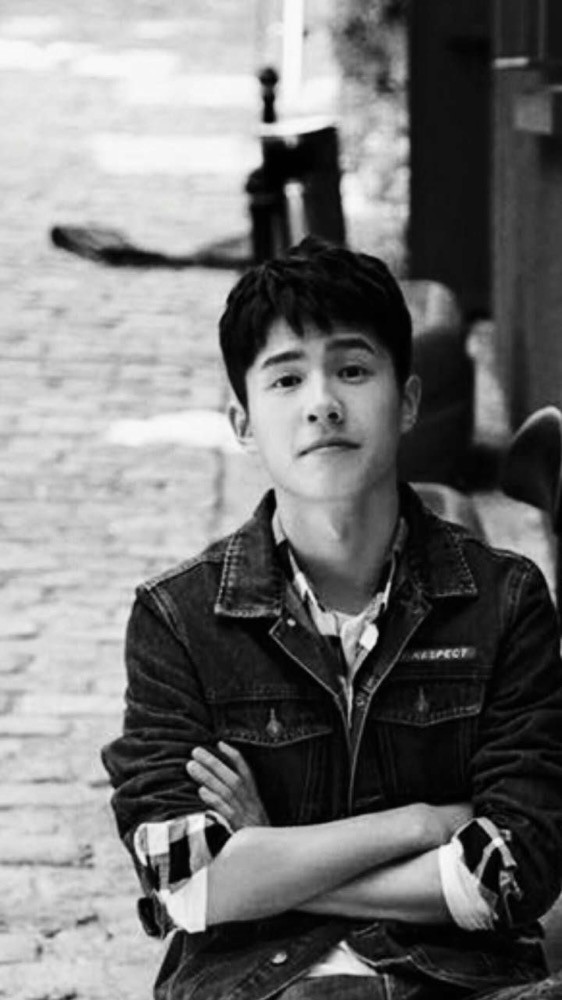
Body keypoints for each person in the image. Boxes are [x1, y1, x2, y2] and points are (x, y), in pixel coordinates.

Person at [102, 238, 562, 1000]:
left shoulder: (505, 601)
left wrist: (268, 856)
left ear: (407, 401)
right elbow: (186, 886)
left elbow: (511, 874)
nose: (322, 402)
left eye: (352, 370)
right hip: (254, 984)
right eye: (287, 379)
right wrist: (421, 824)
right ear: (243, 422)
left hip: (459, 983)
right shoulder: (178, 620)